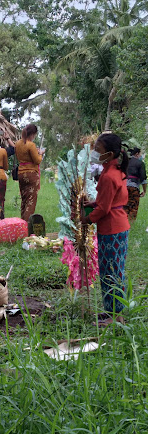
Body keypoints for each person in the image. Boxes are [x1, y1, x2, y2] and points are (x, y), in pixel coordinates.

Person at [82, 133, 130, 324]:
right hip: (117, 225)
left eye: (98, 150)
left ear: (109, 154)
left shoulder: (109, 176)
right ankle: (111, 311)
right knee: (112, 269)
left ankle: (116, 316)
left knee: (111, 272)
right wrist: (93, 202)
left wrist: (87, 219)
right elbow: (109, 201)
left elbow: (104, 208)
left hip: (112, 228)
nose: (94, 153)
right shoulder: (116, 171)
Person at [15, 123, 44, 221]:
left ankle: (22, 222)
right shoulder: (31, 145)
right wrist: (40, 154)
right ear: (33, 134)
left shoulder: (18, 143)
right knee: (31, 201)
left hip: (21, 173)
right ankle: (26, 225)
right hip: (31, 174)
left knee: (24, 200)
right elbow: (37, 160)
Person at [124, 147, 147, 223]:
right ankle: (130, 223)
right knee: (133, 206)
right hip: (134, 187)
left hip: (123, 187)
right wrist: (144, 191)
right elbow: (143, 179)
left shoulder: (126, 162)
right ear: (137, 154)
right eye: (140, 154)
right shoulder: (140, 163)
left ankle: (123, 221)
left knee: (125, 205)